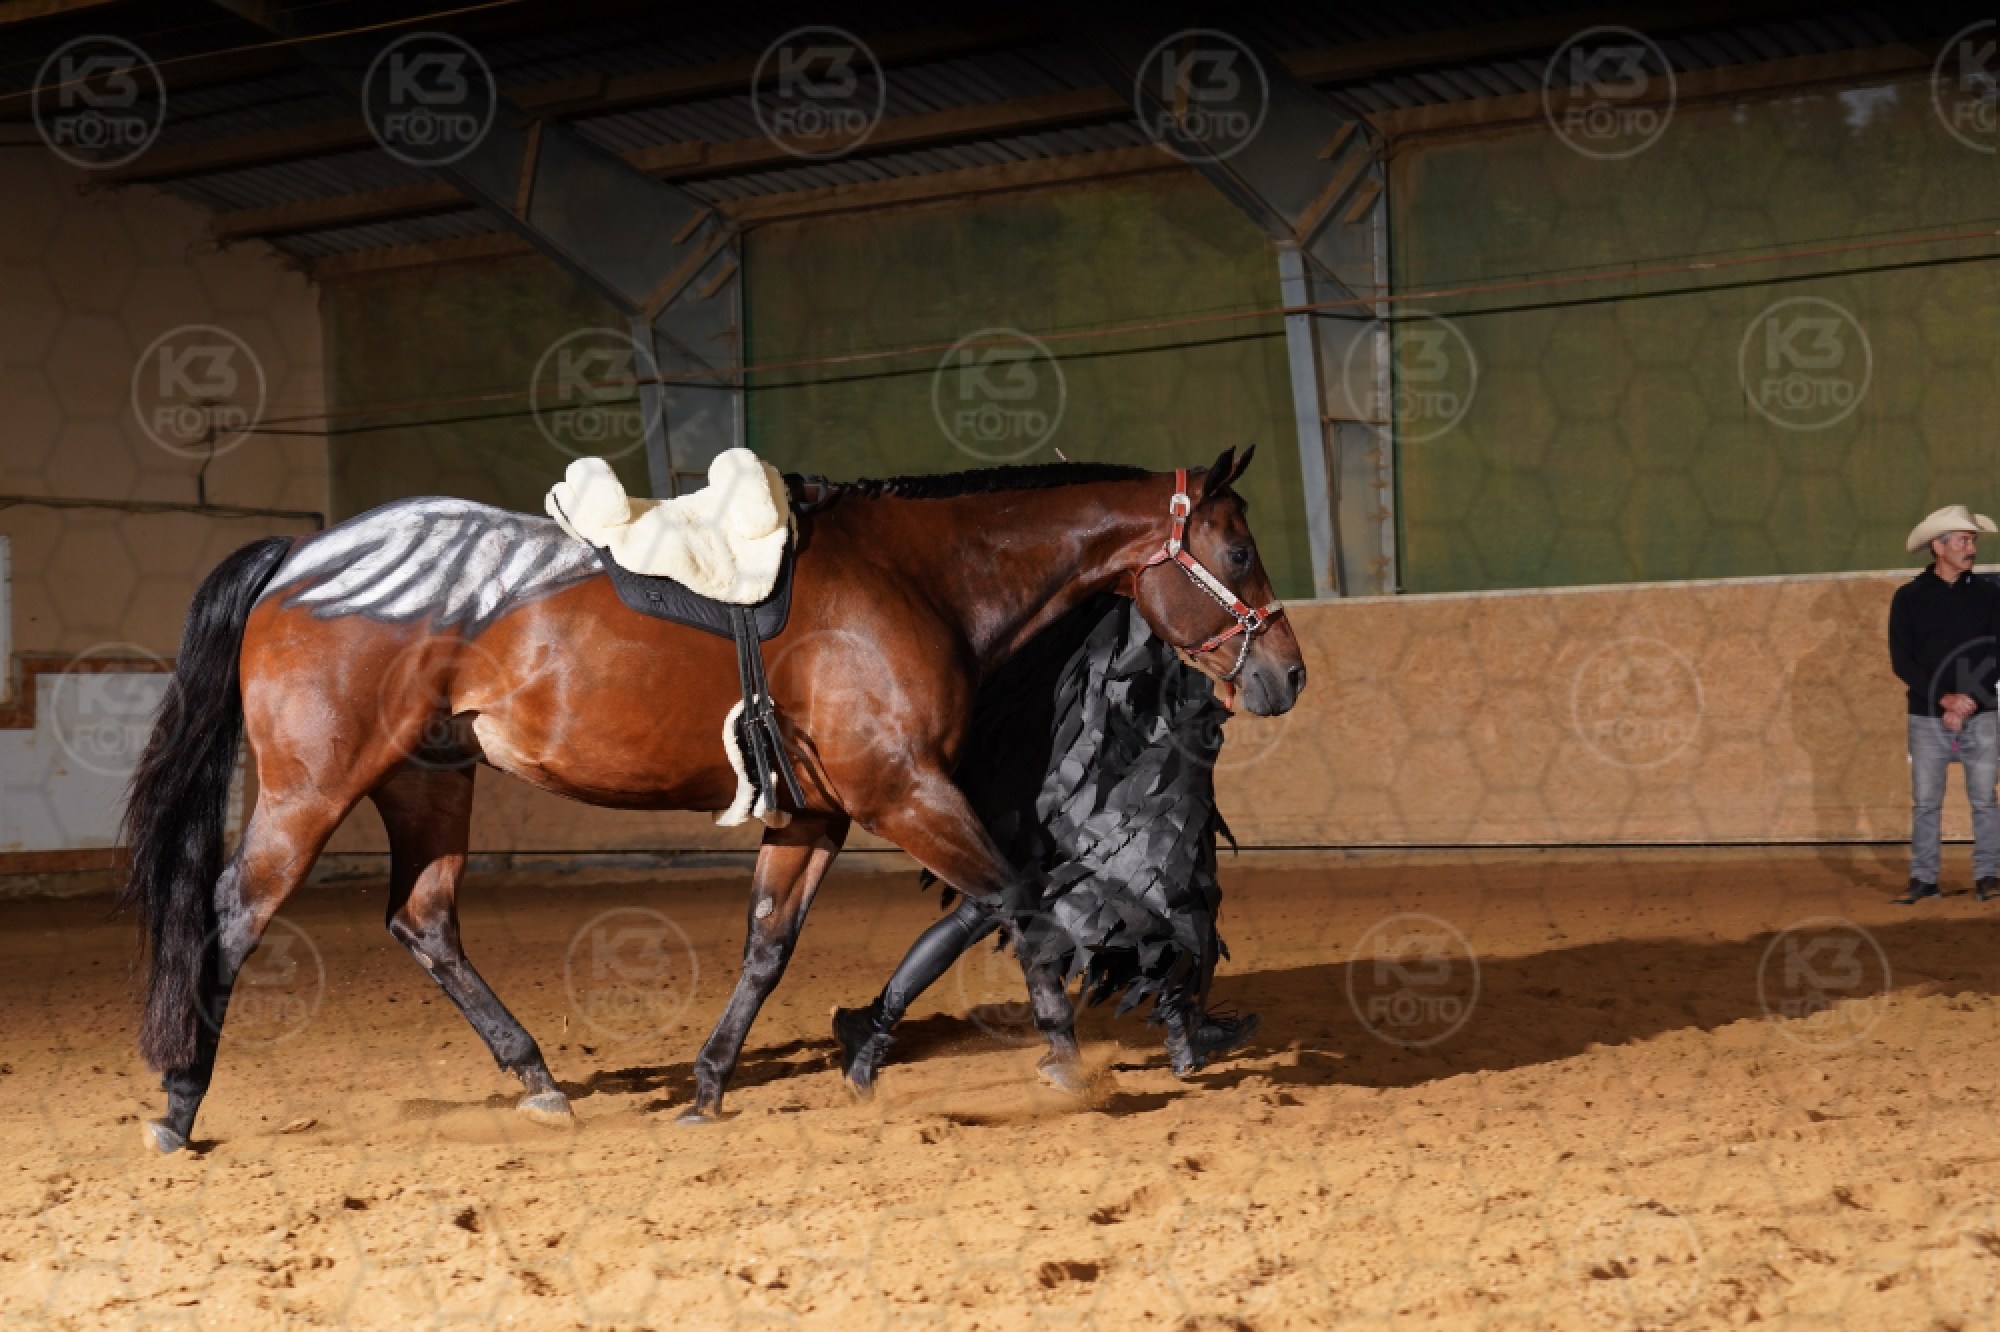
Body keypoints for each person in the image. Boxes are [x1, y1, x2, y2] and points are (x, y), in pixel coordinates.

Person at [833, 592, 1258, 1095]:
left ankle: (1177, 1029)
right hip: (1038, 776)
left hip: (1051, 771)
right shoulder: (1081, 603)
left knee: (1145, 871)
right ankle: (880, 1025)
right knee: (1010, 902)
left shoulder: (1077, 599)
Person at [1888, 505, 2000, 904]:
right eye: (1964, 541)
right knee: (1926, 802)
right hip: (1927, 714)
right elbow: (1902, 660)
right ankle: (1924, 879)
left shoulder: (1990, 595)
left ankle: (1989, 875)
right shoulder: (1909, 598)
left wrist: (1968, 699)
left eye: (1972, 541)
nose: (1971, 548)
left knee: (1985, 799)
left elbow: (1996, 651)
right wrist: (1945, 698)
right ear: (1939, 546)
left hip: (1981, 712)